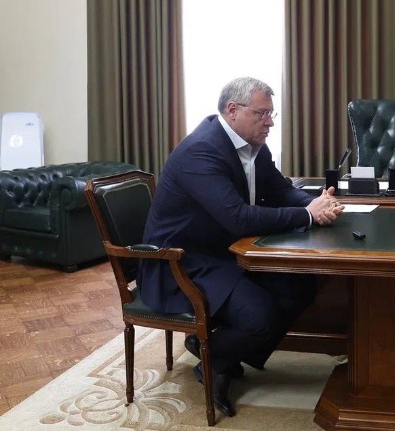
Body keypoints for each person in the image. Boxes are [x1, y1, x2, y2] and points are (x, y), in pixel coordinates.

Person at [138, 77, 344, 417]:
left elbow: (281, 189)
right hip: (181, 263)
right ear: (232, 110)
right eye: (262, 113)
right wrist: (308, 215)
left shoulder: (252, 144)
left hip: (224, 252)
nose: (270, 122)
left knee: (300, 286)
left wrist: (317, 203)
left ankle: (217, 351)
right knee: (260, 317)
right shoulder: (200, 151)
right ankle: (216, 359)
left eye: (272, 113)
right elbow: (238, 218)